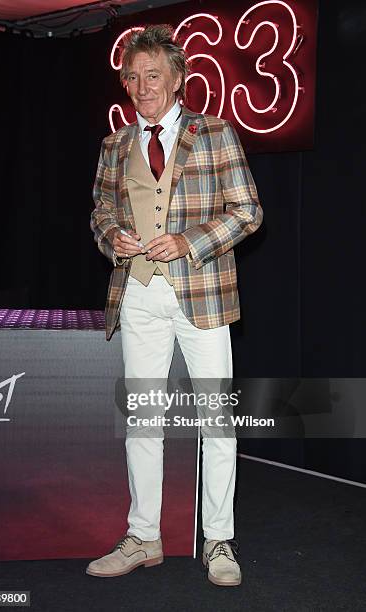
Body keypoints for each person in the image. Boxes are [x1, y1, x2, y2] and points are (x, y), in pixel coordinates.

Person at [86, 24, 263, 587]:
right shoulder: (114, 145)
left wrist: (189, 242)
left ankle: (218, 540)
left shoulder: (215, 133)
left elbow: (247, 211)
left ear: (178, 80)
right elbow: (100, 213)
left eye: (152, 75)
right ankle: (144, 537)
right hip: (137, 293)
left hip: (203, 295)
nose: (141, 86)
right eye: (133, 77)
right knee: (143, 420)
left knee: (217, 423)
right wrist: (112, 236)